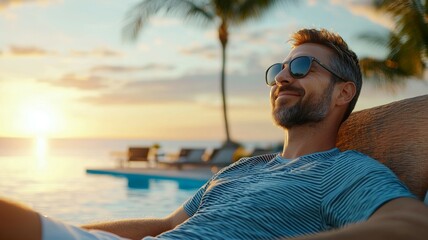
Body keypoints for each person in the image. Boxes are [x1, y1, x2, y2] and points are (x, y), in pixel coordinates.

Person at [1, 28, 428, 240]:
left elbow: (412, 223)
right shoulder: (244, 167)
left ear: (344, 92)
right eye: (279, 69)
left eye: (301, 67)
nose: (283, 77)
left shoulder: (343, 171)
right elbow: (166, 223)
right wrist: (73, 228)